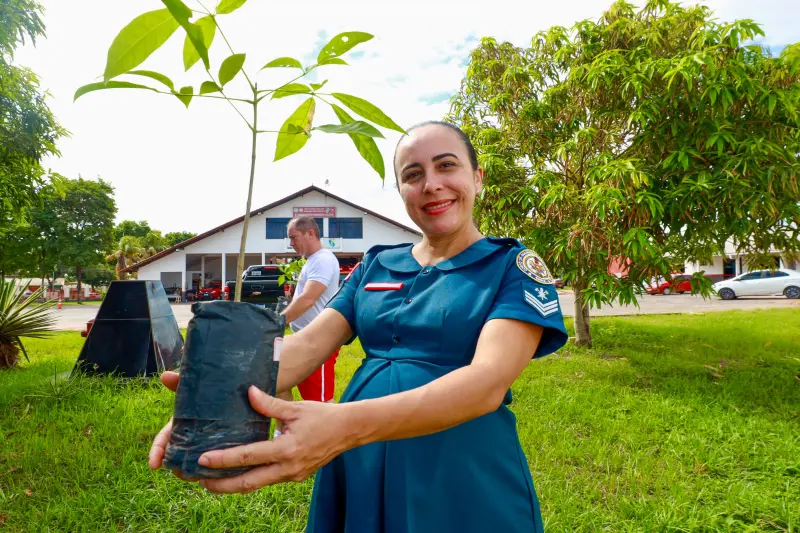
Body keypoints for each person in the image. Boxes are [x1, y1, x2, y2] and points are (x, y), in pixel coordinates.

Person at [149, 121, 569, 532]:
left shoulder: (512, 266)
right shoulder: (378, 263)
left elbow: (486, 383)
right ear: (402, 191)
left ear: (477, 178)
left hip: (456, 465)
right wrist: (212, 400)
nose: (431, 184)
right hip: (360, 458)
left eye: (447, 166)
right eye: (413, 174)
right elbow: (309, 346)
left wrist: (343, 427)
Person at [279, 216, 342, 405]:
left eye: (293, 237)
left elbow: (308, 298)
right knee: (278, 383)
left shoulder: (322, 260)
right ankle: (284, 430)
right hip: (304, 339)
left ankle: (331, 434)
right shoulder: (313, 260)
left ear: (310, 234)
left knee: (319, 402)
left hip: (318, 340)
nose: (291, 244)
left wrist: (278, 321)